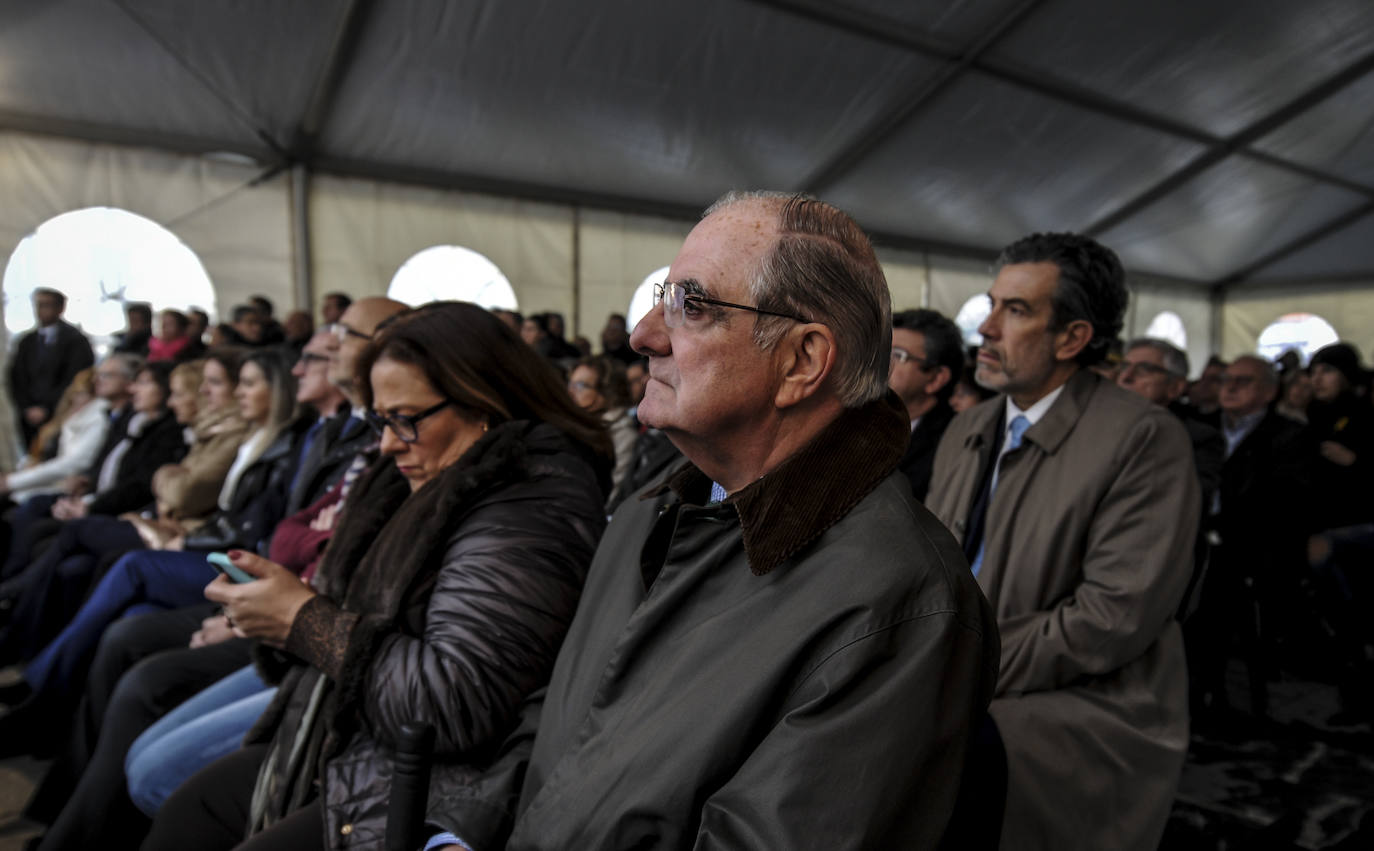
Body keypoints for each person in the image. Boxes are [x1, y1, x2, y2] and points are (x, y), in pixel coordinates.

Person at [428, 192, 997, 850]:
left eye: (690, 306)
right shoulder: (648, 515)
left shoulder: (903, 604)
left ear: (801, 361)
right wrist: (461, 836)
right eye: (662, 296)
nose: (643, 334)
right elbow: (562, 716)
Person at [143, 302, 612, 851]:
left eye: (406, 418)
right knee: (178, 803)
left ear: (486, 403)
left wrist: (303, 620)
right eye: (379, 419)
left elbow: (454, 701)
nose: (388, 443)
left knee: (161, 773)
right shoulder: (418, 479)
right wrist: (286, 607)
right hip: (351, 738)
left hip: (429, 784)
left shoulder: (529, 505)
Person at [927, 232, 1199, 851]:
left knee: (928, 759)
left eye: (1016, 310)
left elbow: (1109, 621)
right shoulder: (969, 427)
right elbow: (933, 569)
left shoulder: (1144, 439)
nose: (986, 328)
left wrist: (960, 666)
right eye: (991, 304)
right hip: (962, 665)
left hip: (1085, 702)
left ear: (1074, 337)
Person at [1193, 355, 1311, 718]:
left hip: (1248, 548)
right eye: (1226, 378)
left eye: (1243, 381)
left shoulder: (1289, 437)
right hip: (1196, 536)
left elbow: (1279, 503)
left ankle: (1226, 694)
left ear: (1271, 391)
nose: (1229, 386)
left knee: (1217, 592)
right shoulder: (1200, 427)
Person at [1116, 338, 1224, 619]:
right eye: (1124, 367)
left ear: (1176, 387)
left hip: (1150, 564)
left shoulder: (1196, 437)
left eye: (1144, 369)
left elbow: (1189, 503)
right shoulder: (1095, 426)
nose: (1126, 377)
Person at [1, 368, 108, 504]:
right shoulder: (64, 421)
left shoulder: (95, 419)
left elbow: (71, 464)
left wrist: (13, 481)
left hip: (57, 486)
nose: (76, 400)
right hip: (38, 481)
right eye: (75, 393)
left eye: (83, 394)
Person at [889, 308, 963, 501]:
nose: (880, 363)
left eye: (897, 355)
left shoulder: (956, 441)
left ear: (936, 379)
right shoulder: (852, 421)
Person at [8, 287, 95, 445]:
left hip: (60, 412)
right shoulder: (27, 341)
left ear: (60, 308)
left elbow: (75, 377)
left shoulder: (76, 341)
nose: (41, 310)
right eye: (39, 305)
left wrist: (47, 407)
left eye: (47, 305)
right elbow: (17, 377)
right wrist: (26, 407)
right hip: (28, 416)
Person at [567, 355, 637, 495]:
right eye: (570, 384)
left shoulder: (622, 434)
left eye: (581, 386)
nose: (571, 392)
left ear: (607, 391)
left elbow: (614, 491)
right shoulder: (576, 424)